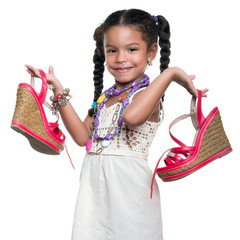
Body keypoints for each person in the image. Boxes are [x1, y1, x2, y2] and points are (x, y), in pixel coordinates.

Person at [25, 8, 207, 240]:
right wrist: (58, 91)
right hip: (94, 195)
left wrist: (170, 73)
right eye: (112, 50)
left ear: (151, 52)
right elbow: (82, 138)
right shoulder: (104, 99)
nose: (121, 58)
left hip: (130, 194)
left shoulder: (146, 95)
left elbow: (131, 117)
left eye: (132, 49)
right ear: (103, 52)